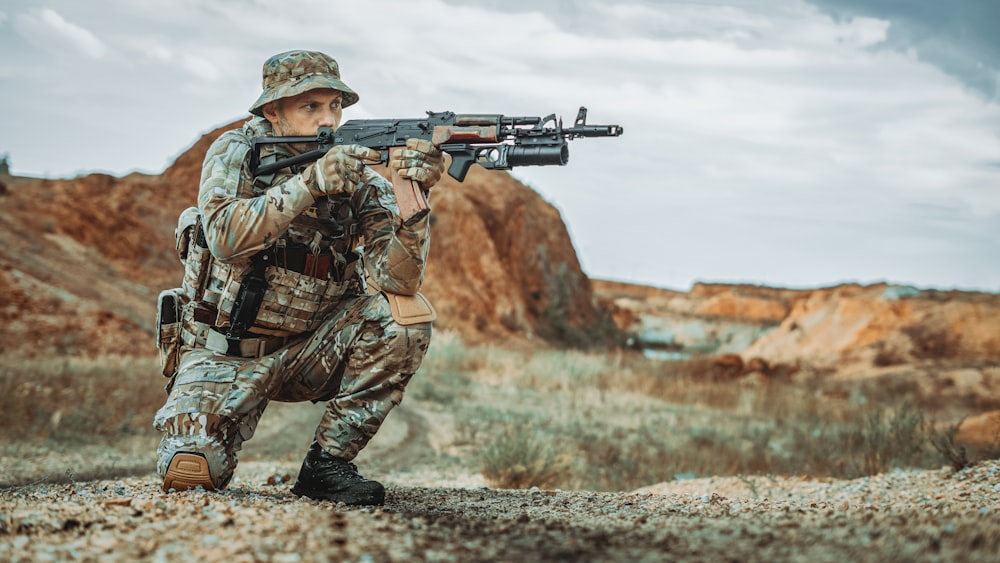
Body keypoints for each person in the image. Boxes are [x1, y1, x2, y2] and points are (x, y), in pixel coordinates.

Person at [152, 50, 445, 506]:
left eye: (334, 106)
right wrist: (310, 184)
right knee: (193, 474)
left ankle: (326, 466)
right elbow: (227, 239)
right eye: (311, 107)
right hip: (226, 354)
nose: (327, 119)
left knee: (404, 319)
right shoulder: (237, 154)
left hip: (312, 350)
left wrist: (414, 202)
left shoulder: (359, 179)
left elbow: (398, 281)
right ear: (273, 111)